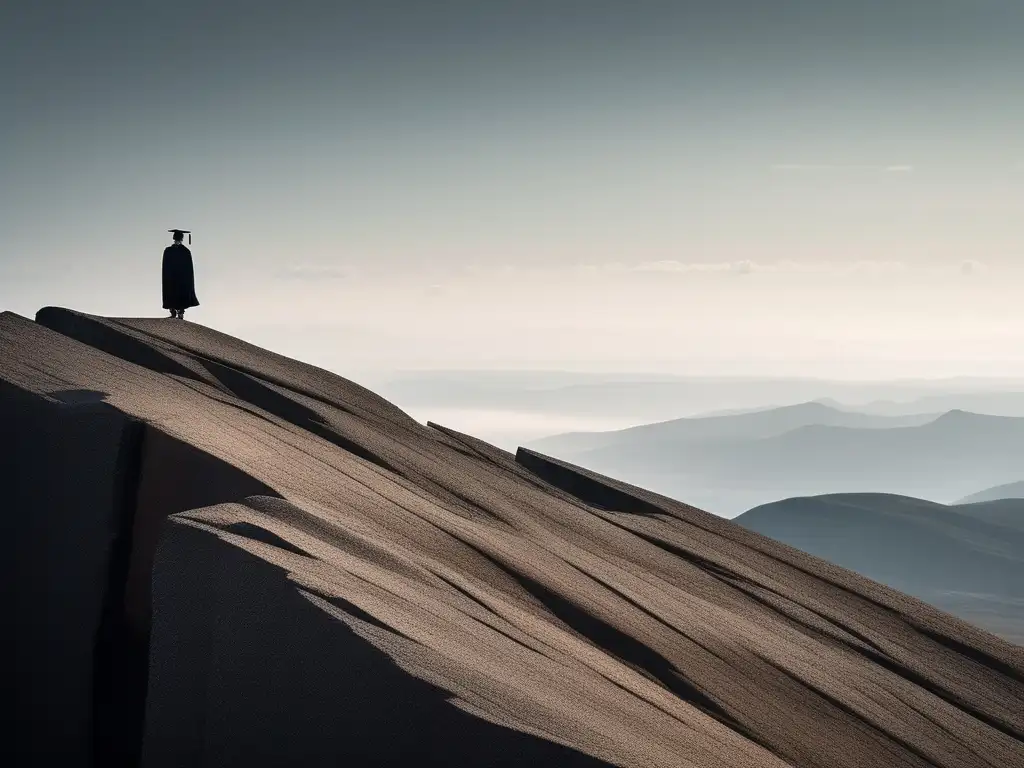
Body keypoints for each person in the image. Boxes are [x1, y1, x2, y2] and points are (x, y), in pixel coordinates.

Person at [162, 229, 200, 319]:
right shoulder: (168, 250)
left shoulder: (185, 252)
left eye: (178, 239)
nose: (177, 240)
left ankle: (180, 312)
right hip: (171, 277)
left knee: (181, 293)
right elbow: (165, 266)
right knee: (170, 293)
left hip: (181, 278)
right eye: (176, 239)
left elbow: (188, 268)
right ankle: (173, 312)